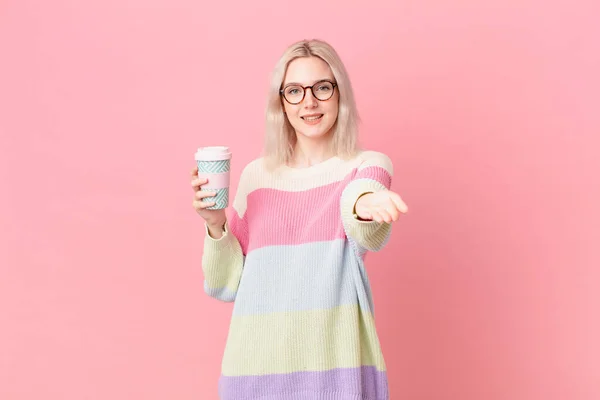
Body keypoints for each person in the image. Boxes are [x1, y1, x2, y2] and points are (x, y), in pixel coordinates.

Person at [190, 39, 408, 400]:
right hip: (253, 372)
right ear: (281, 103)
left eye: (322, 87)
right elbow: (225, 284)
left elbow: (361, 209)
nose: (309, 102)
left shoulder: (365, 166)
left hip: (336, 373)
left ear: (340, 94)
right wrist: (215, 223)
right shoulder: (255, 177)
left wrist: (366, 203)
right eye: (295, 91)